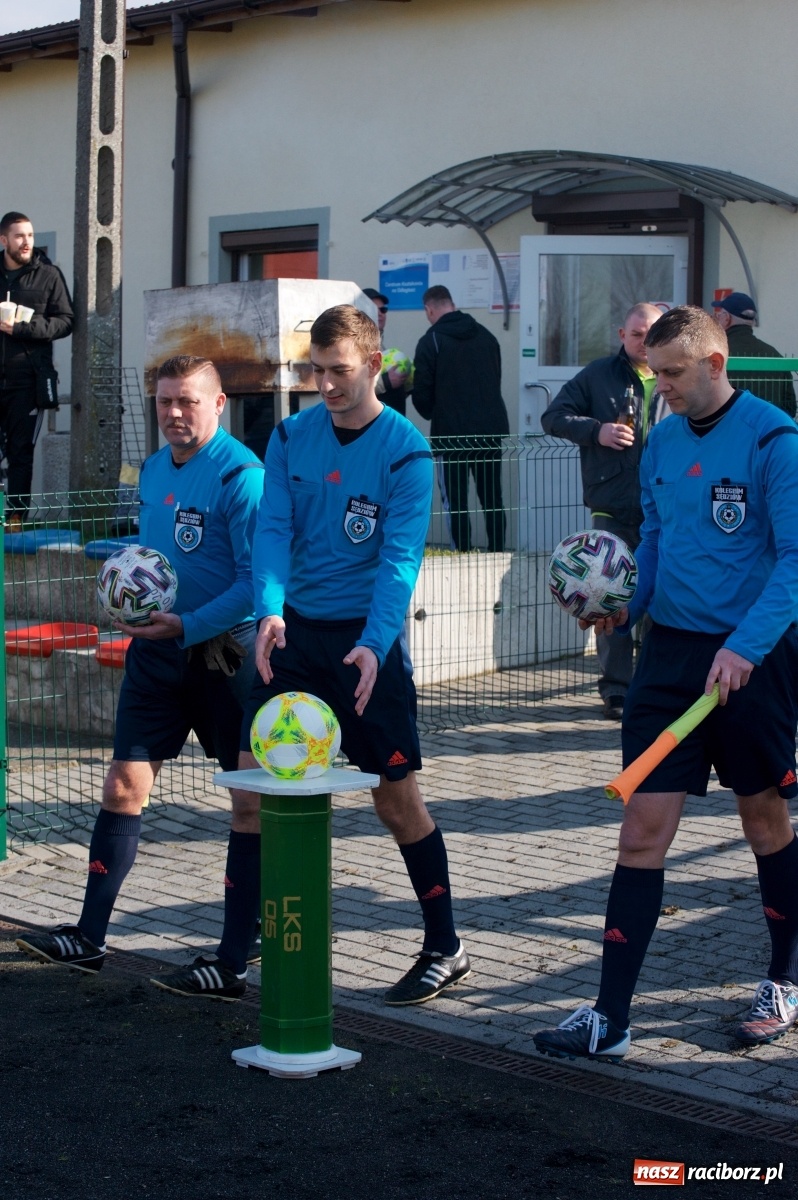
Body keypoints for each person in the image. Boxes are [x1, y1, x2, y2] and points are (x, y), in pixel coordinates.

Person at [165, 304, 469, 1007]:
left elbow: (399, 562)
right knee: (250, 794)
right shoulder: (292, 435)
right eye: (317, 371)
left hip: (367, 645)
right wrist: (269, 610)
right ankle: (232, 959)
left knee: (397, 804)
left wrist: (373, 643)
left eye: (339, 371)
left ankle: (445, 946)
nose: (326, 384)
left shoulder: (405, 452)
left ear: (374, 365)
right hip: (293, 639)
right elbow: (273, 530)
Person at [533, 306, 798, 1063]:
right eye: (656, 374)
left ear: (716, 363)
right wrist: (621, 603)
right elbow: (653, 542)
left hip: (755, 659)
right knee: (642, 829)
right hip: (670, 663)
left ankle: (782, 978)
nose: (662, 387)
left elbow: (795, 563)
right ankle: (609, 1019)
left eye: (674, 374)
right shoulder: (661, 441)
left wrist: (745, 647)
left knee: (764, 821)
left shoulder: (777, 443)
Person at [16, 356, 266, 991]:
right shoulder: (153, 471)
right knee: (123, 788)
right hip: (156, 658)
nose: (174, 414)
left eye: (187, 401)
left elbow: (255, 585)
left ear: (218, 404)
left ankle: (235, 957)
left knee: (247, 804)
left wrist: (187, 623)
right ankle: (89, 938)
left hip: (223, 660)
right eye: (164, 402)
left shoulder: (243, 476)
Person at [541, 304, 668, 720]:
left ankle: (652, 685)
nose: (644, 343)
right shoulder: (598, 374)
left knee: (659, 599)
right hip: (612, 506)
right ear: (621, 334)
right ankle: (615, 690)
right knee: (607, 594)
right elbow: (553, 417)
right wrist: (598, 431)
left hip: (664, 510)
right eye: (637, 334)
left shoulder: (674, 376)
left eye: (652, 335)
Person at [412, 285, 509, 553]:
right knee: (493, 498)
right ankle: (497, 552)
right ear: (452, 304)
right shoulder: (487, 337)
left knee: (454, 501)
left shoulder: (431, 341)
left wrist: (433, 411)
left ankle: (462, 556)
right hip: (489, 432)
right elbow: (495, 381)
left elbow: (422, 392)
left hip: (450, 435)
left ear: (429, 309)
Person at [0, 211, 73, 522]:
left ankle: (16, 520)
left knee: (20, 452)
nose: (26, 241)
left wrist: (22, 327)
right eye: (19, 236)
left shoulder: (48, 274)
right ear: (4, 241)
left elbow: (66, 321)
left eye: (29, 235)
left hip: (27, 379)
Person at [711, 291, 796, 418]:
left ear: (727, 318)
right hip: (769, 430)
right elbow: (790, 408)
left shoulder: (716, 354)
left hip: (727, 429)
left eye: (719, 315)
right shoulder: (774, 355)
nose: (718, 319)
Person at [363, 287, 411, 416]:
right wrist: (386, 381)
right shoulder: (353, 346)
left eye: (383, 309)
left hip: (392, 427)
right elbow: (350, 384)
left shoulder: (381, 346)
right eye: (374, 308)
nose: (380, 313)